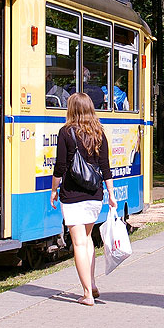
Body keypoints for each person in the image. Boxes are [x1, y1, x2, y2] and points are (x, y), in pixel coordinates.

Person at [50, 92, 116, 305]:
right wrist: (111, 194)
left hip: (72, 194)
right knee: (87, 240)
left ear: (71, 109)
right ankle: (92, 284)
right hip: (95, 194)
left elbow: (60, 166)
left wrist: (54, 190)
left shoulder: (66, 132)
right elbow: (105, 166)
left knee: (78, 243)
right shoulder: (99, 132)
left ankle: (87, 294)